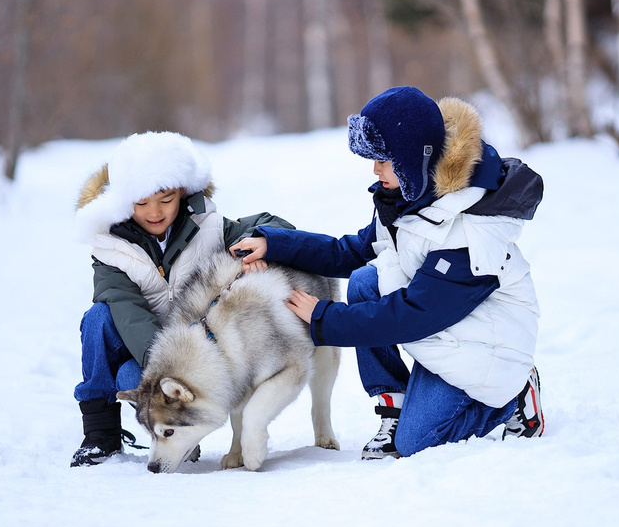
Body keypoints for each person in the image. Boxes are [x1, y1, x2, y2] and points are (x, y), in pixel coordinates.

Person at [230, 87, 547, 458]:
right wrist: (276, 244)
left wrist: (324, 318)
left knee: (417, 443)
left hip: (486, 349)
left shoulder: (469, 233)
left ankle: (514, 397)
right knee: (367, 280)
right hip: (445, 331)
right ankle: (394, 407)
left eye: (383, 159)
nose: (375, 169)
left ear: (415, 157)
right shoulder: (409, 197)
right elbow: (349, 251)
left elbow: (413, 315)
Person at [70, 131, 294, 466]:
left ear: (183, 193)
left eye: (165, 199)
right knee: (98, 319)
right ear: (123, 203)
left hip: (194, 354)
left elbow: (273, 224)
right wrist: (166, 368)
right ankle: (100, 433)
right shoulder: (109, 247)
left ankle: (181, 430)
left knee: (155, 387)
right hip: (149, 352)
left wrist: (257, 243)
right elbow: (126, 309)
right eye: (142, 203)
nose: (155, 212)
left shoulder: (209, 226)